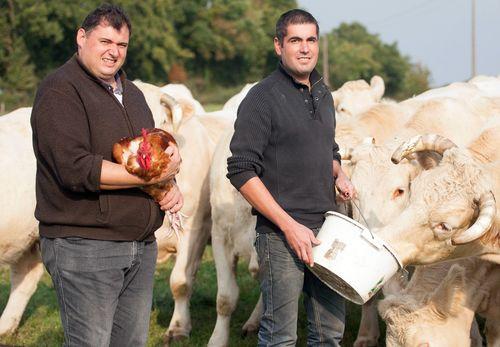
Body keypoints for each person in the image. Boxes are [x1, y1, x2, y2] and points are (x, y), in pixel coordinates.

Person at [30, 4, 182, 346]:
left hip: (140, 247)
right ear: (81, 38)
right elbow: (75, 168)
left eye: (122, 45)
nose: (114, 52)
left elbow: (146, 155)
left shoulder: (133, 94)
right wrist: (150, 177)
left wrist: (169, 184)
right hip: (86, 246)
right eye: (105, 41)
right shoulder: (60, 91)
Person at [227, 8, 355, 346]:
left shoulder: (323, 94)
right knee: (280, 336)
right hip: (280, 236)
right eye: (295, 40)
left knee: (329, 333)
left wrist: (338, 172)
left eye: (311, 40)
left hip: (328, 231)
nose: (304, 48)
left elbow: (328, 147)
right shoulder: (262, 98)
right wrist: (288, 225)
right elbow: (241, 169)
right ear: (278, 46)